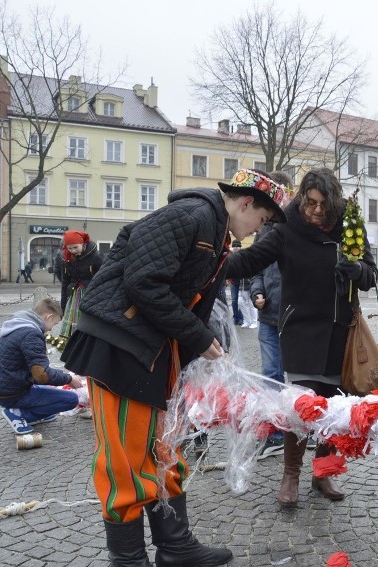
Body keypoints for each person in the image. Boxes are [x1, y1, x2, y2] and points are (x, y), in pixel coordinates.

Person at [60, 168, 287, 566]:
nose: (257, 230)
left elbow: (231, 267)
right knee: (125, 459)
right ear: (247, 202)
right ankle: (128, 559)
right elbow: (144, 284)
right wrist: (199, 338)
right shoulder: (191, 216)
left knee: (163, 448)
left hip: (149, 348)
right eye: (263, 221)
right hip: (119, 346)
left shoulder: (216, 231)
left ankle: (174, 545)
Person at [227, 167, 378, 507]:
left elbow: (371, 274)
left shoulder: (350, 226)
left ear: (335, 202)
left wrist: (357, 271)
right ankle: (291, 474)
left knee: (335, 408)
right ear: (302, 197)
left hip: (341, 330)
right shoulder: (286, 227)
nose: (315, 211)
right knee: (302, 408)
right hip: (299, 329)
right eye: (310, 203)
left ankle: (323, 473)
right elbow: (251, 260)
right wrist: (213, 262)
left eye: (323, 205)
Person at [0, 298, 82, 435]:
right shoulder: (31, 334)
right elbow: (42, 375)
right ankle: (19, 414)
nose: (50, 329)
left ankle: (36, 413)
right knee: (71, 400)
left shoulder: (17, 324)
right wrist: (69, 379)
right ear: (49, 316)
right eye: (54, 324)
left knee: (48, 389)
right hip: (12, 392)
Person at [250, 170, 295, 459]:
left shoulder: (298, 224)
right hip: (268, 316)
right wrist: (256, 292)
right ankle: (276, 431)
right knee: (271, 374)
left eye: (281, 192)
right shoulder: (265, 225)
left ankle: (305, 430)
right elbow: (256, 264)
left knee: (302, 379)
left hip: (295, 316)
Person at [59, 230, 103, 341]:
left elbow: (103, 278)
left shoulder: (96, 257)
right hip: (73, 295)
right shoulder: (66, 259)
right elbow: (65, 282)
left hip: (91, 295)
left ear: (82, 244)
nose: (73, 251)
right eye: (70, 248)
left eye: (75, 247)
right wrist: (63, 306)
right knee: (72, 322)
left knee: (89, 323)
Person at [228, 240, 244, 326]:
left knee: (240, 301)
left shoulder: (243, 255)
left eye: (238, 246)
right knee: (234, 301)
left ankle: (241, 317)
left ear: (240, 247)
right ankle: (235, 317)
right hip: (233, 282)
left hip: (242, 283)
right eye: (235, 246)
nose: (236, 247)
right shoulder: (230, 255)